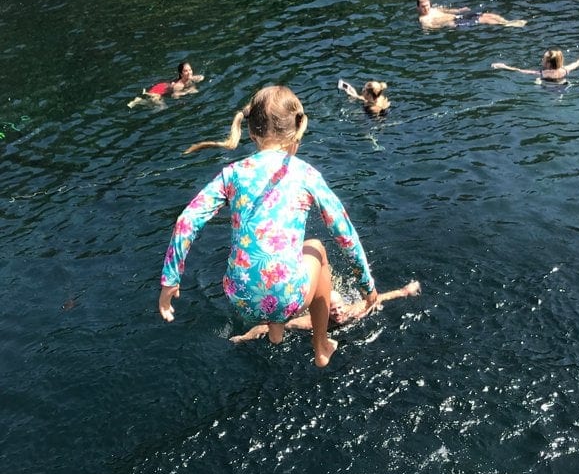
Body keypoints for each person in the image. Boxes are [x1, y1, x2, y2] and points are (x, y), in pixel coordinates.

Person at [158, 85, 378, 367]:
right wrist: (367, 287)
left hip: (239, 296)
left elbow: (186, 221)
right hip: (288, 297)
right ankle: (321, 346)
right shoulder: (306, 174)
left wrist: (170, 281)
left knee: (270, 267)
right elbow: (344, 232)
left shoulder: (231, 174)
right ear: (298, 130)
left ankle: (275, 332)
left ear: (251, 132)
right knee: (316, 249)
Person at [229, 280, 420, 343]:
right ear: (326, 312)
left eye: (339, 308)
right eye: (332, 310)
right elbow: (270, 326)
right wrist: (244, 337)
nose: (337, 313)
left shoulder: (353, 311)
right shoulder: (312, 322)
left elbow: (379, 298)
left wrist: (404, 291)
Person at [416, 0, 525, 28]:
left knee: (487, 14)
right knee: (484, 20)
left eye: (427, 5)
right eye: (423, 7)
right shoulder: (423, 19)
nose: (426, 8)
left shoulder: (434, 9)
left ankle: (507, 21)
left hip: (458, 16)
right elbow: (431, 27)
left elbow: (447, 10)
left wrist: (459, 10)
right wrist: (447, 24)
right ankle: (507, 25)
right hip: (455, 22)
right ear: (418, 8)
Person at [491, 49, 579, 82]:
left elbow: (518, 70)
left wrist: (503, 66)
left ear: (548, 63)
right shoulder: (565, 70)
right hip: (563, 84)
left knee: (538, 82)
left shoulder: (542, 73)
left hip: (548, 87)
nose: (542, 60)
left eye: (543, 59)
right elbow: (578, 62)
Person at [128, 61, 204, 106]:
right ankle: (139, 101)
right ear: (181, 74)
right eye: (186, 71)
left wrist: (192, 78)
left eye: (190, 70)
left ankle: (139, 100)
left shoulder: (189, 77)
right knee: (162, 107)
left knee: (155, 103)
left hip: (164, 86)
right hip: (159, 90)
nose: (189, 72)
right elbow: (175, 95)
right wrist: (188, 91)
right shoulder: (178, 85)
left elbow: (201, 77)